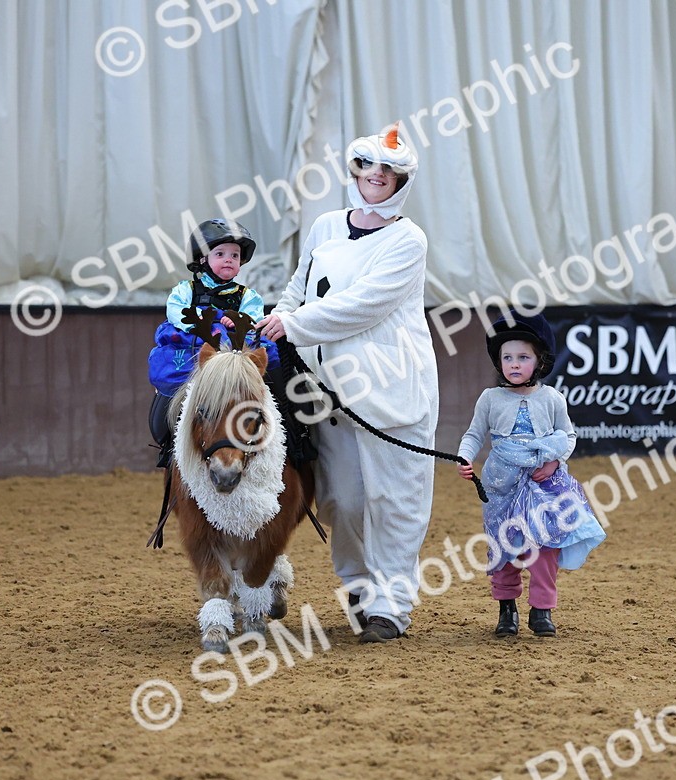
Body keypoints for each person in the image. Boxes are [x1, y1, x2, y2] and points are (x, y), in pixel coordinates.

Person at [257, 124, 438, 643]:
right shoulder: (325, 225)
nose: (377, 176)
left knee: (394, 499)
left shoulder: (408, 239)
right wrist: (276, 318)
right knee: (343, 499)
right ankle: (358, 588)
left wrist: (295, 324)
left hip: (389, 386)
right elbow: (298, 287)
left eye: (389, 170)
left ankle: (392, 606)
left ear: (402, 180)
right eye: (369, 166)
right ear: (356, 169)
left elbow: (365, 306)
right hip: (323, 387)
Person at [457, 311, 606, 638]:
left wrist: (553, 463)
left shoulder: (552, 398)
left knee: (544, 546)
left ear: (539, 361)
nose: (513, 363)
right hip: (502, 485)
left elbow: (568, 436)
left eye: (523, 357)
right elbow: (473, 434)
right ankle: (506, 609)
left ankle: (542, 609)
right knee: (505, 547)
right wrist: (464, 457)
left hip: (545, 485)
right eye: (507, 357)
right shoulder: (490, 399)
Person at [147, 218, 271, 467]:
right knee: (169, 392)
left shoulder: (248, 296)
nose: (229, 259)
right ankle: (169, 443)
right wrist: (205, 323)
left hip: (234, 353)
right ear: (202, 259)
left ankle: (295, 443)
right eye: (221, 253)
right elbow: (176, 312)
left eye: (235, 255)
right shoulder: (185, 290)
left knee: (276, 377)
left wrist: (237, 320)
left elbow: (253, 318)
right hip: (194, 350)